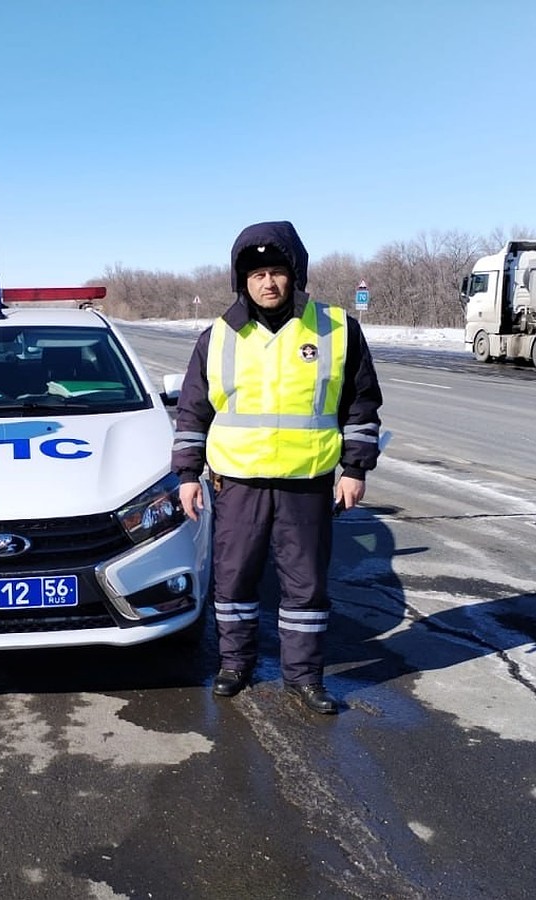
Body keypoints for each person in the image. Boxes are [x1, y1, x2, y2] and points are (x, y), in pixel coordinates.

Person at [171, 220, 383, 713]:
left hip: (306, 483)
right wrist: (186, 475)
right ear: (241, 280)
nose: (268, 282)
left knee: (306, 586)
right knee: (234, 579)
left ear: (296, 274)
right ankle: (235, 665)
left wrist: (355, 468)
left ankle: (304, 677)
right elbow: (193, 411)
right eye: (257, 273)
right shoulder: (218, 336)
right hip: (236, 481)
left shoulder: (335, 329)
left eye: (277, 272)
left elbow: (360, 405)